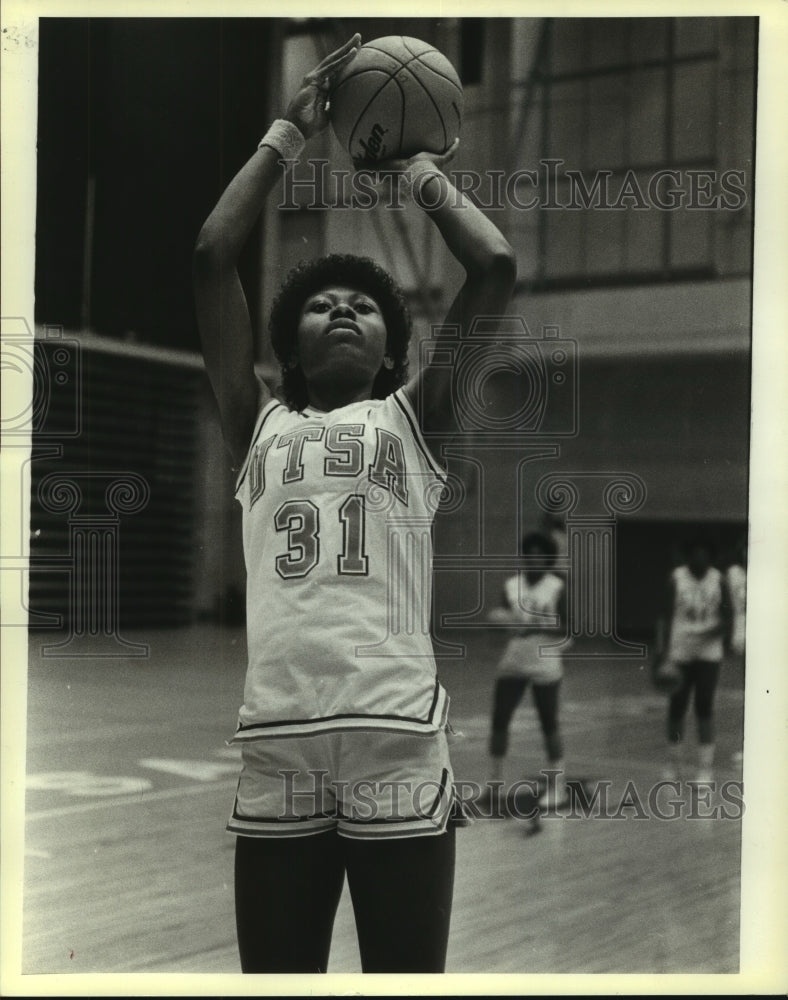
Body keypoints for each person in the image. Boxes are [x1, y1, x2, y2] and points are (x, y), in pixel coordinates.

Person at [192, 34, 517, 973]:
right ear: (287, 345)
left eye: (365, 306)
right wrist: (287, 137)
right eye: (322, 301)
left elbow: (493, 267)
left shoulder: (417, 423)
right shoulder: (255, 424)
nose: (343, 307)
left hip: (398, 748)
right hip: (279, 750)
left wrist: (418, 171)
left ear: (389, 354)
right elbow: (215, 256)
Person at [487, 531, 568, 810]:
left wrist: (538, 626)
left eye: (540, 556)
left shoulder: (557, 587)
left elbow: (569, 628)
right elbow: (501, 616)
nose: (534, 560)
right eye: (529, 555)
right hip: (515, 660)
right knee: (499, 720)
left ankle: (558, 787)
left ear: (548, 559)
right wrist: (499, 618)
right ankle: (495, 783)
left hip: (545, 662)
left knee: (549, 723)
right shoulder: (512, 586)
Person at [654, 535, 733, 783]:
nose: (700, 558)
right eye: (695, 553)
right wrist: (660, 651)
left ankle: (704, 770)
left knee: (704, 706)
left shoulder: (718, 579)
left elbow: (729, 618)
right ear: (688, 556)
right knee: (676, 707)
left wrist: (714, 633)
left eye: (704, 553)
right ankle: (673, 764)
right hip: (680, 652)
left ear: (710, 557)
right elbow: (664, 616)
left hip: (708, 652)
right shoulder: (676, 578)